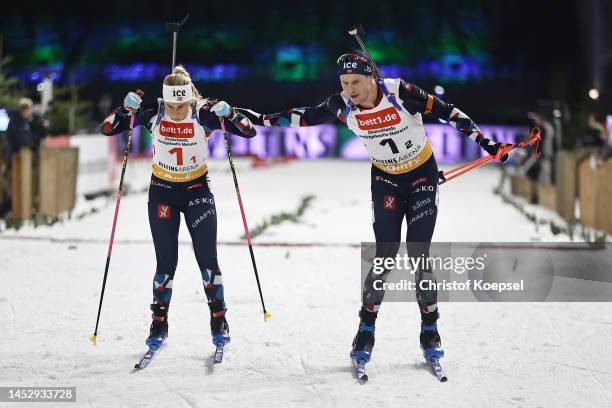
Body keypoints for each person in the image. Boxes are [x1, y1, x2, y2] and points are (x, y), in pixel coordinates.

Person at [238, 53, 508, 366]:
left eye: (355, 82)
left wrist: (487, 144)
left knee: (419, 253)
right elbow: (301, 116)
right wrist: (257, 118)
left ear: (371, 79)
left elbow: (449, 113)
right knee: (384, 255)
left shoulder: (399, 92)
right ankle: (365, 330)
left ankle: (430, 330)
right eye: (344, 82)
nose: (350, 89)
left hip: (422, 176)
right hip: (385, 181)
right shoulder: (341, 105)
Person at [101, 65, 257, 348]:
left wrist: (231, 113)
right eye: (171, 104)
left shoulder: (203, 114)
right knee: (165, 263)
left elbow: (249, 133)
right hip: (163, 192)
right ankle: (159, 324)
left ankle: (218, 318)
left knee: (208, 260)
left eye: (181, 104)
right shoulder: (153, 112)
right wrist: (124, 109)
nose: (175, 110)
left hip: (197, 190)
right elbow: (108, 128)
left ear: (190, 99)